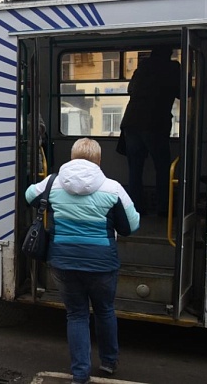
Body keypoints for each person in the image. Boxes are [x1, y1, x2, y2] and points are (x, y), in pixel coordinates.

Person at [25, 138, 140, 384]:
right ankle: (108, 362)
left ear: (72, 156)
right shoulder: (113, 188)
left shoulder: (53, 182)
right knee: (104, 310)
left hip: (63, 262)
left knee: (76, 315)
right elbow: (131, 226)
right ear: (99, 160)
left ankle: (80, 374)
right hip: (102, 264)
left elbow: (29, 196)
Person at [119, 46, 181, 216]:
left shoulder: (142, 68)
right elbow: (184, 93)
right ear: (168, 54)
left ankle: (135, 208)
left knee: (135, 169)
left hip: (131, 122)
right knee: (163, 168)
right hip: (155, 123)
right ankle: (163, 210)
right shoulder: (173, 68)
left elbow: (130, 90)